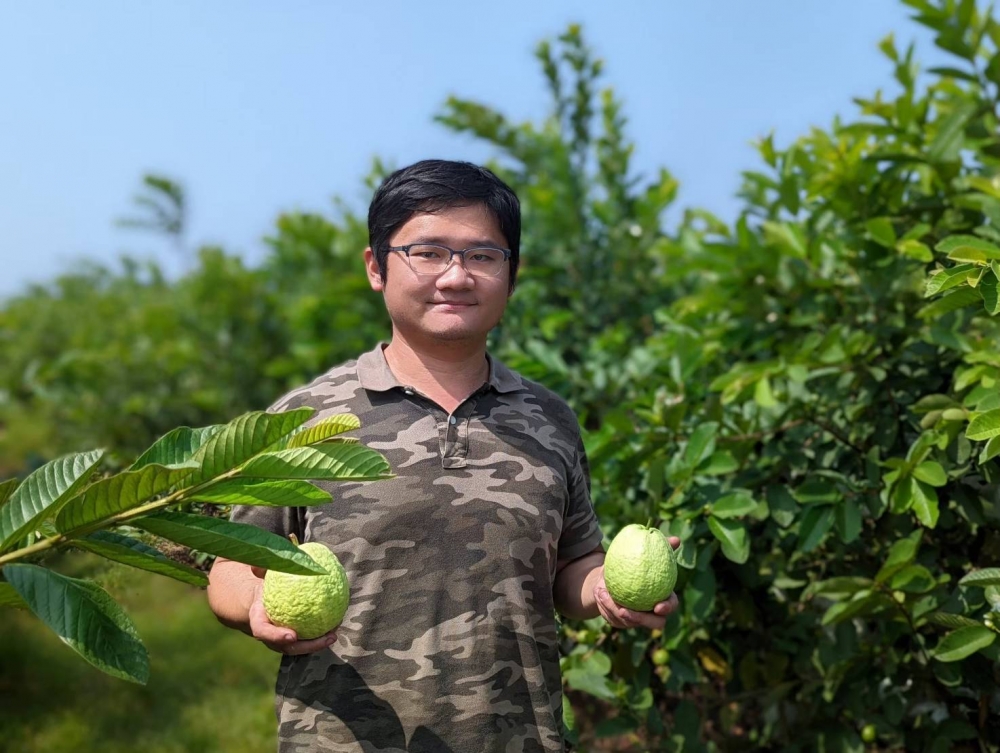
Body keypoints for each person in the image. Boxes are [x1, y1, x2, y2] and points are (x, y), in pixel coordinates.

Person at [206, 159, 679, 753]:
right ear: (376, 267)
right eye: (427, 253)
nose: (456, 277)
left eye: (483, 256)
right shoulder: (304, 419)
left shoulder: (549, 420)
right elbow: (229, 569)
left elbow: (570, 570)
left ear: (513, 274)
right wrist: (258, 607)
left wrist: (611, 586)